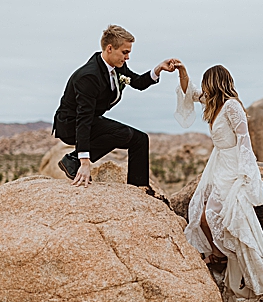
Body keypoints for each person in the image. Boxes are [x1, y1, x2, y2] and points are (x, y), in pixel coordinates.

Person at [174, 62, 263, 302]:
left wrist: (248, 173)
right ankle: (219, 255)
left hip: (233, 166)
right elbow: (188, 93)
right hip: (219, 164)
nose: (202, 88)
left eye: (206, 83)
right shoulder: (214, 104)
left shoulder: (232, 107)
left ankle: (220, 256)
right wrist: (181, 72)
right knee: (203, 216)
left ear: (214, 83)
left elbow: (245, 141)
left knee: (213, 216)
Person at [52, 24, 178, 193]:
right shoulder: (89, 76)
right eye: (125, 52)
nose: (127, 58)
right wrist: (84, 161)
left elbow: (138, 82)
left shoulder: (118, 67)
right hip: (71, 125)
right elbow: (83, 119)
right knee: (123, 133)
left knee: (140, 139)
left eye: (129, 53)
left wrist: (158, 69)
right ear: (110, 48)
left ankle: (139, 189)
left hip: (91, 120)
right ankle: (73, 160)